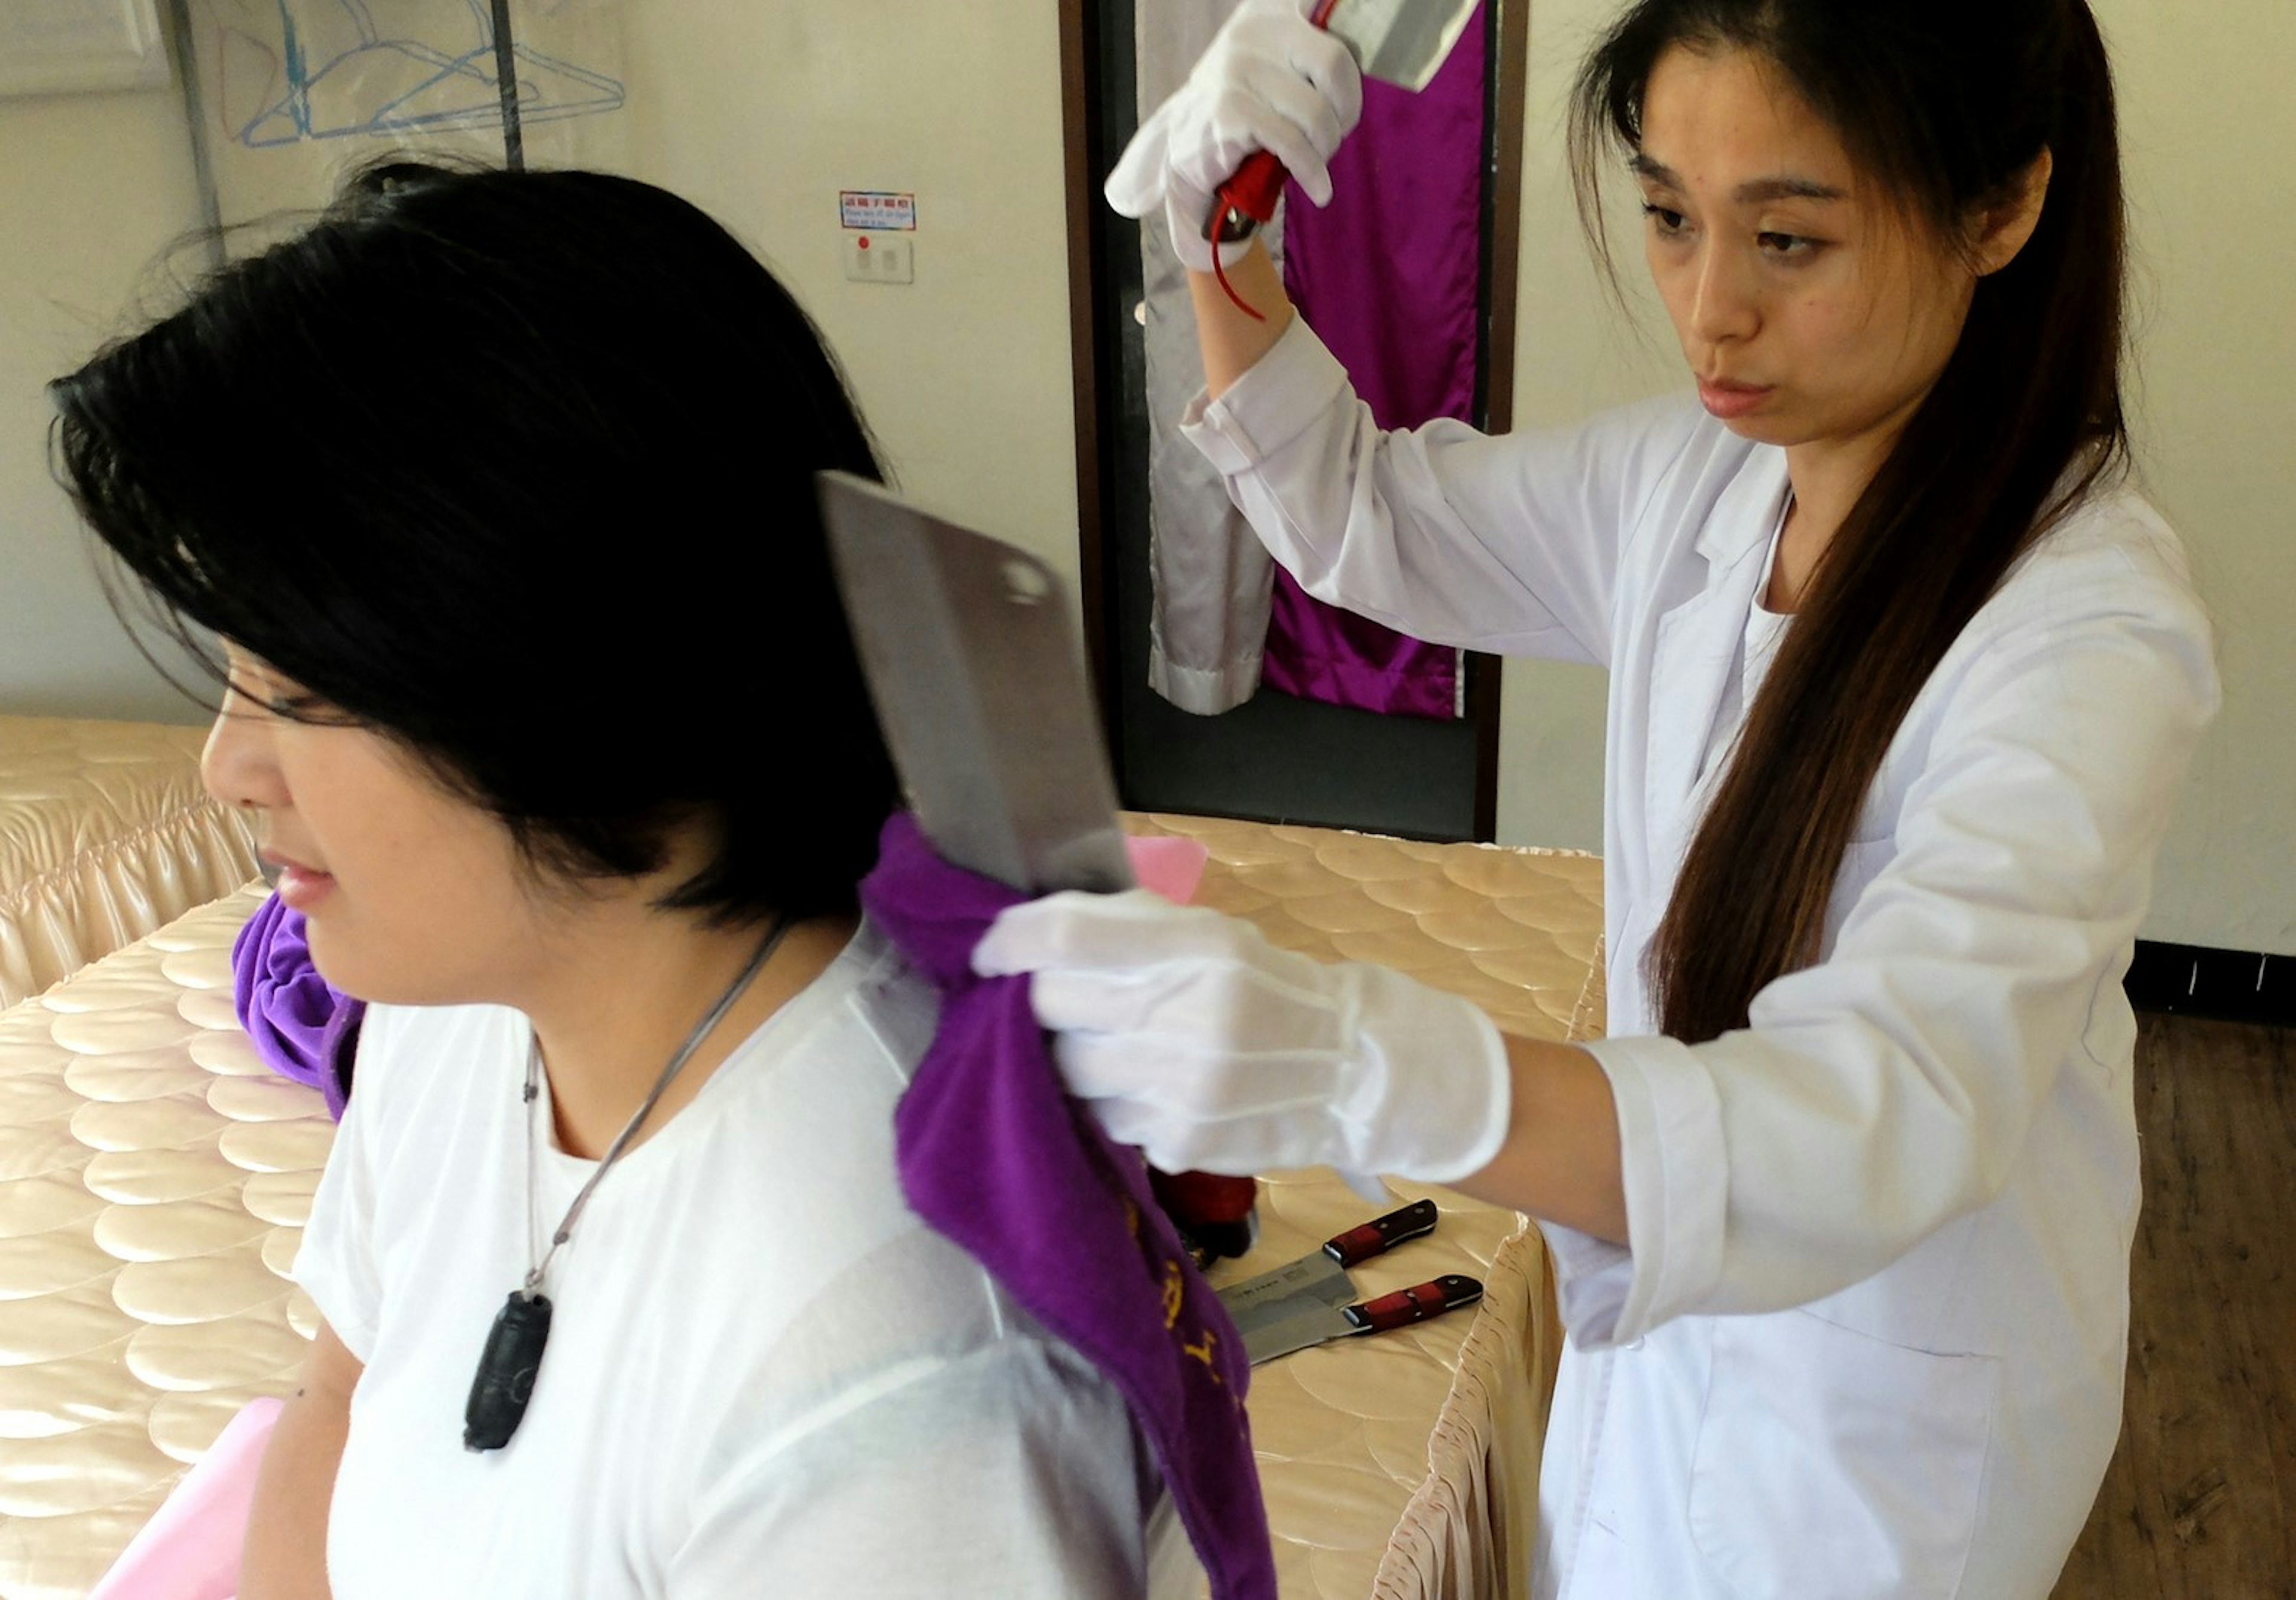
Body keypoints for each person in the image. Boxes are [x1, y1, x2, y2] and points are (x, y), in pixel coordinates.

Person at [973, 1, 2221, 1595]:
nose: (1711, 316)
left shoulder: (2086, 621)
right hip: (1651, 1387)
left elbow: (1890, 1098)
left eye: (1788, 238)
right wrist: (1225, 240)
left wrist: (1377, 1064)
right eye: (1670, 220)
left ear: (2003, 206)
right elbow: (1365, 517)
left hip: (1874, 1463)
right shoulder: (1696, 481)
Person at [50, 162, 1192, 1598]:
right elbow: (334, 1409)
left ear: (564, 669)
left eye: (299, 681)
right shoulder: (458, 1004)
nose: (226, 766)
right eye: (236, 668)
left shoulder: (899, 1377)